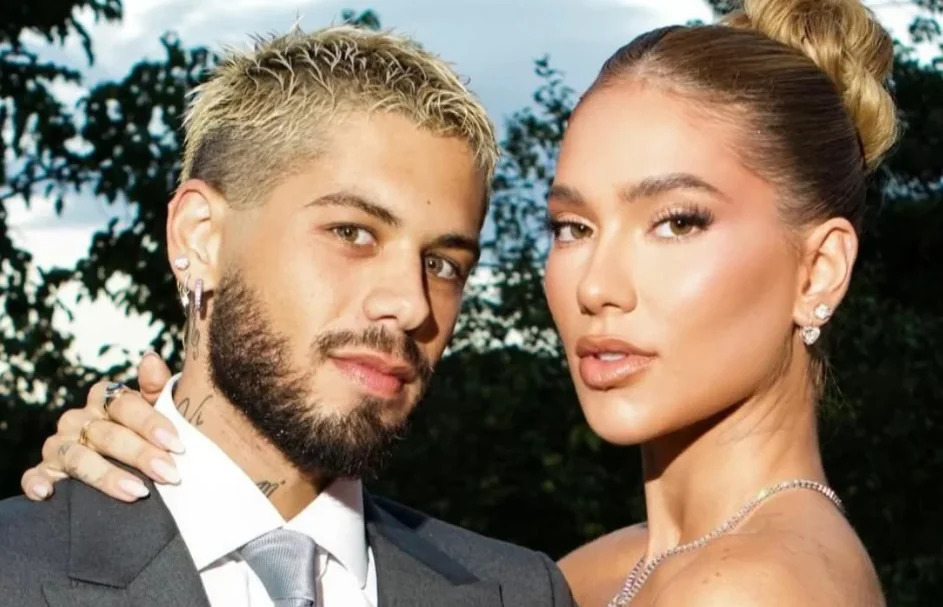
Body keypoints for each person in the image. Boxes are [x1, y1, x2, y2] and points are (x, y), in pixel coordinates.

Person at [20, 0, 898, 604]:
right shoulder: (550, 581)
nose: (597, 285)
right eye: (571, 226)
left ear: (819, 270)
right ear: (197, 235)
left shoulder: (745, 584)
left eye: (676, 220)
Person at [0, 25, 574, 607]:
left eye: (442, 264)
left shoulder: (524, 592)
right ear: (200, 237)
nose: (411, 305)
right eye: (352, 232)